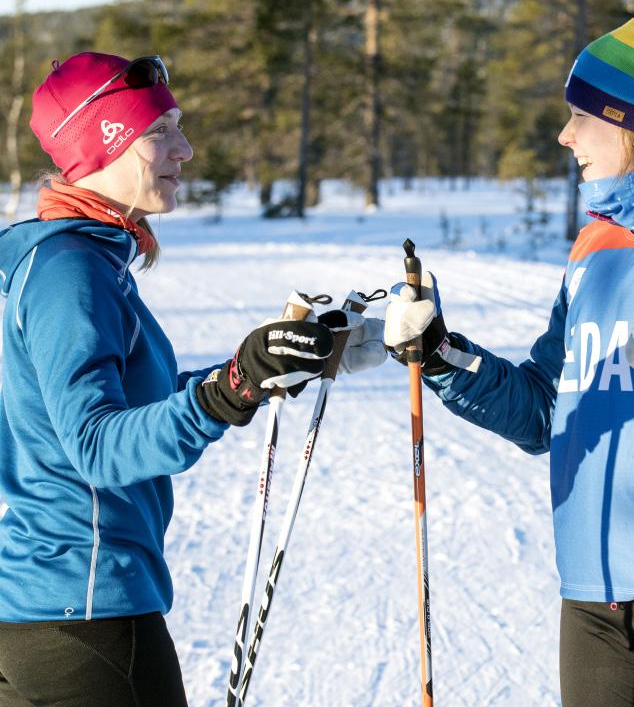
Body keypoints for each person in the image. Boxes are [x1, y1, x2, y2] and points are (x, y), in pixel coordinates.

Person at [384, 8, 634, 706]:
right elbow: (545, 409)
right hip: (596, 590)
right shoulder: (595, 244)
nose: (565, 135)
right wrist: (443, 355)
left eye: (582, 116)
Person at [0, 52, 384, 707]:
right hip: (80, 613)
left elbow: (131, 403)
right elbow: (94, 446)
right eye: (160, 132)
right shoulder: (69, 271)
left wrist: (267, 367)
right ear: (103, 143)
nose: (186, 147)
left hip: (65, 612)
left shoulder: (68, 255)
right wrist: (229, 387)